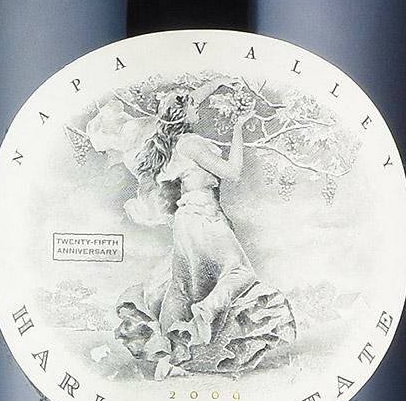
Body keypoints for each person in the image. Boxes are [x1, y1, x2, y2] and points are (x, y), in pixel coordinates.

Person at [115, 90, 296, 379]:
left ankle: (169, 359)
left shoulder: (169, 144)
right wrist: (239, 128)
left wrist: (219, 83)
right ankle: (206, 311)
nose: (198, 108)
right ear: (183, 113)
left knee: (180, 288)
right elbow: (233, 172)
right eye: (193, 105)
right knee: (240, 273)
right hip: (204, 216)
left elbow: (185, 103)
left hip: (185, 221)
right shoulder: (191, 143)